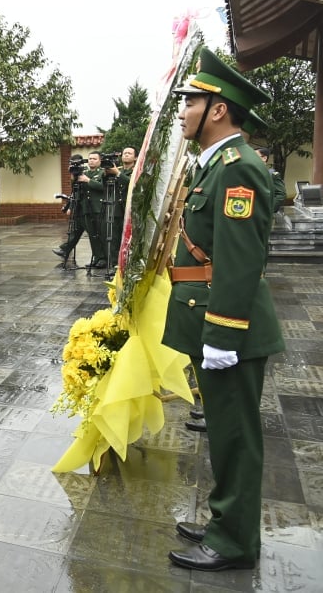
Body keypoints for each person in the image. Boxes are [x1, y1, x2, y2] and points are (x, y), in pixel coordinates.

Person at [162, 47, 284, 572]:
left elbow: (236, 263)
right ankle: (223, 519)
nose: (183, 109)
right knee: (225, 432)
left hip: (229, 326)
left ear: (216, 109)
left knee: (236, 438)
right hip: (214, 321)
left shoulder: (238, 170)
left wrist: (223, 336)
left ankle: (234, 542)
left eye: (191, 100)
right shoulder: (215, 167)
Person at [54, 151, 107, 267]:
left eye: (94, 159)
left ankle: (101, 258)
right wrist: (74, 179)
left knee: (96, 234)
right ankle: (67, 250)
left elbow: (104, 187)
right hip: (82, 208)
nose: (92, 161)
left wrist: (88, 180)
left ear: (100, 161)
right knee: (80, 232)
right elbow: (76, 191)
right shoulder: (84, 173)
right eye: (90, 159)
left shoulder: (103, 173)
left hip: (95, 208)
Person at [254, 146, 286, 213]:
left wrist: (269, 209)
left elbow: (281, 195)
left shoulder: (272, 175)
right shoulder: (252, 173)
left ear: (264, 158)